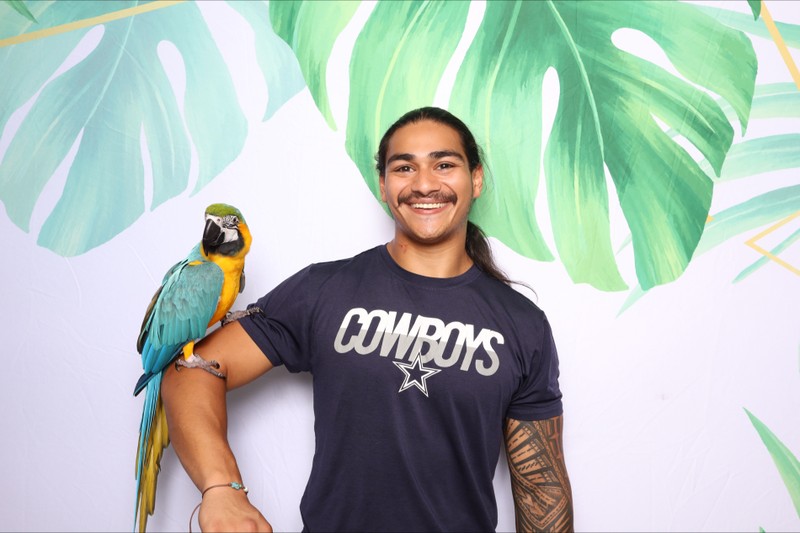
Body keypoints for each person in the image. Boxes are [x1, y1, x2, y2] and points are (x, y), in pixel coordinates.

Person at [162, 107, 573, 532]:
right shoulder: (325, 289)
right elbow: (189, 371)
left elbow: (543, 488)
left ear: (476, 179)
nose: (424, 183)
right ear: (383, 184)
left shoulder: (522, 325)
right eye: (404, 167)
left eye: (444, 164)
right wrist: (220, 488)